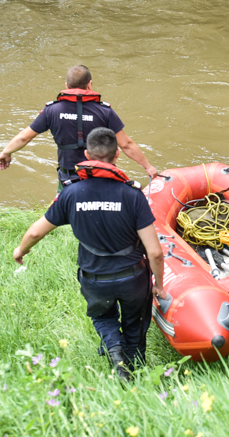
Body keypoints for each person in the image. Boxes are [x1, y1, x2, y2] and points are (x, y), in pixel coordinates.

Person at [13, 127, 168, 381]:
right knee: (135, 323)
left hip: (94, 277)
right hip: (133, 278)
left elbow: (35, 233)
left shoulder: (71, 193)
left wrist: (21, 250)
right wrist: (159, 285)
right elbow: (155, 252)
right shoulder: (133, 195)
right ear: (117, 155)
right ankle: (135, 370)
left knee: (104, 317)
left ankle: (115, 352)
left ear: (86, 154)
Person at [0, 65, 160, 187]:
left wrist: (6, 152)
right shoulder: (105, 111)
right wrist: (148, 167)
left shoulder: (52, 110)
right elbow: (126, 144)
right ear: (90, 85)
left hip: (68, 177)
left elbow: (24, 137)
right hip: (100, 175)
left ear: (66, 86)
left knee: (66, 211)